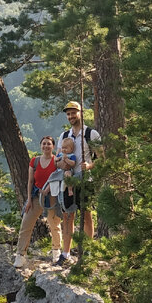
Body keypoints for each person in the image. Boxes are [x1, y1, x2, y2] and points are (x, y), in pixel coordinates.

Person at [57, 101, 101, 256]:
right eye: (68, 114)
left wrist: (89, 166)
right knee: (68, 216)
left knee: (86, 215)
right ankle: (65, 254)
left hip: (85, 180)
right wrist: (63, 165)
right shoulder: (64, 136)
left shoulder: (91, 134)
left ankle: (88, 251)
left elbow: (102, 158)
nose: (71, 116)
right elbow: (57, 160)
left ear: (81, 113)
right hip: (68, 181)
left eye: (73, 113)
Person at [13, 137, 62, 268]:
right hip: (36, 196)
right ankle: (20, 255)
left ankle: (56, 250)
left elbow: (58, 178)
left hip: (52, 197)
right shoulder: (34, 161)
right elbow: (30, 181)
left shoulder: (56, 161)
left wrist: (48, 190)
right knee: (26, 224)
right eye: (44, 143)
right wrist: (29, 199)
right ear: (40, 145)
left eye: (49, 144)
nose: (46, 146)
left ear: (53, 146)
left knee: (54, 224)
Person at [40, 136, 77, 264]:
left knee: (67, 176)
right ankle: (46, 190)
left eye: (67, 148)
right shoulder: (60, 154)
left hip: (67, 174)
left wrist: (66, 160)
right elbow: (56, 162)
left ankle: (70, 189)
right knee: (53, 178)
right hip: (59, 174)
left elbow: (72, 164)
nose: (65, 150)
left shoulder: (72, 156)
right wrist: (59, 160)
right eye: (63, 148)